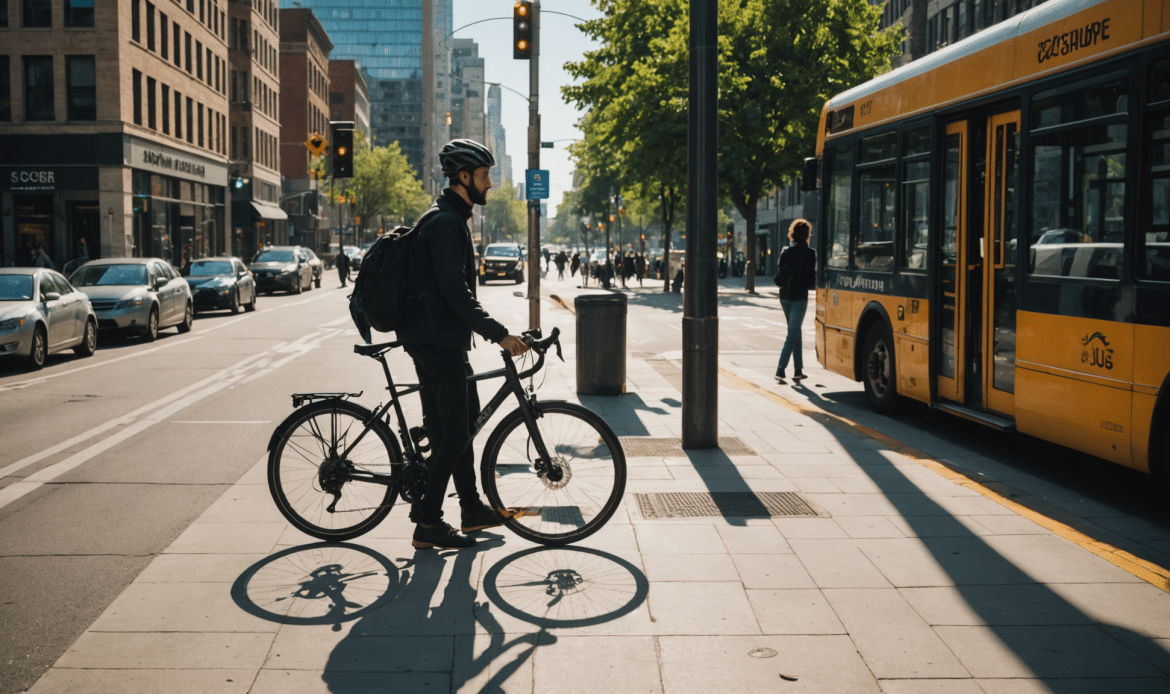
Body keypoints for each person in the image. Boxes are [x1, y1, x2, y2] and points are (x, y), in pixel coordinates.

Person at [396, 139, 529, 551]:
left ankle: (471, 510)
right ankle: (428, 521)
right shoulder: (445, 224)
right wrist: (499, 334)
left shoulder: (452, 218)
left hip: (442, 342)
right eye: (485, 176)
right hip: (436, 343)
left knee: (456, 429)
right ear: (464, 177)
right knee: (456, 432)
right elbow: (456, 293)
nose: (490, 184)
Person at [774, 219, 817, 382]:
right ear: (807, 235)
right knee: (792, 333)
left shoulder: (786, 251)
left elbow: (780, 272)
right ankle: (780, 369)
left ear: (792, 233)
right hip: (799, 298)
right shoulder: (810, 253)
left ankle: (798, 369)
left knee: (795, 331)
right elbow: (812, 281)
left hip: (784, 297)